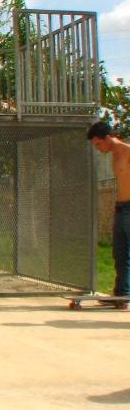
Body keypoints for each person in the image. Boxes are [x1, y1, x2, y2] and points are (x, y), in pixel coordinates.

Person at [88, 121, 130, 297]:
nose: (98, 149)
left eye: (98, 144)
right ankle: (122, 293)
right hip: (121, 207)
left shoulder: (128, 151)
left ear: (107, 138)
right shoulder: (114, 156)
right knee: (119, 253)